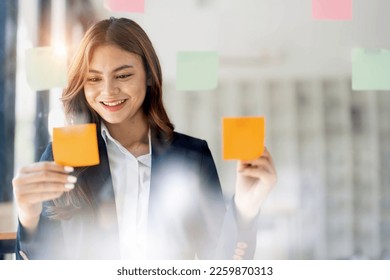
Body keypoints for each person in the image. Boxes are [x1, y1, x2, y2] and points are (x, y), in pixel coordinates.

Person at [12, 17, 277, 260]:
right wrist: (28, 216)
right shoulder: (63, 157)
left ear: (149, 75)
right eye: (93, 78)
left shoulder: (192, 156)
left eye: (123, 75)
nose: (108, 91)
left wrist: (245, 208)